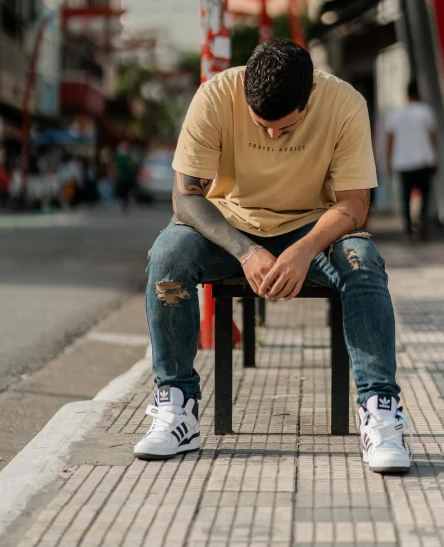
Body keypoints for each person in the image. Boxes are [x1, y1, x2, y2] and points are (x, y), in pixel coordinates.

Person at [134, 40, 413, 474]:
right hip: (231, 228)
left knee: (363, 260)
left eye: (284, 127)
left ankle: (380, 410)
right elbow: (185, 198)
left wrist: (303, 251)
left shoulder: (344, 103)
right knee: (167, 256)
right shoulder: (215, 94)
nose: (271, 135)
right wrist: (247, 252)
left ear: (312, 94)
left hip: (313, 229)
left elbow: (355, 204)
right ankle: (176, 406)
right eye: (261, 124)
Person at [385, 80, 437, 240]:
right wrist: (435, 157)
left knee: (405, 196)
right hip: (423, 159)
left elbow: (390, 140)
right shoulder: (425, 111)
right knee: (425, 194)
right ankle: (422, 218)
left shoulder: (395, 114)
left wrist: (388, 161)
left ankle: (408, 228)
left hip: (402, 162)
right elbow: (432, 137)